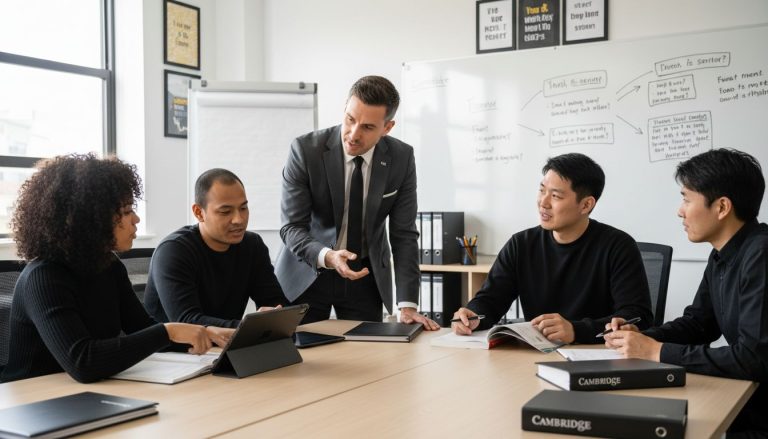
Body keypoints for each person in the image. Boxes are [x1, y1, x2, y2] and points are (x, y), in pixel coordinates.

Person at [1, 154, 222, 384]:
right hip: (33, 396)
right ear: (88, 219)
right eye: (126, 212)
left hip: (91, 390)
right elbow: (83, 361)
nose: (136, 219)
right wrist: (167, 332)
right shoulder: (43, 277)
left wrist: (205, 334)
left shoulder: (109, 265)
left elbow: (141, 329)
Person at [604, 148, 768, 436]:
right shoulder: (722, 254)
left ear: (722, 207)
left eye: (686, 199)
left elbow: (754, 359)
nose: (680, 211)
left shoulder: (761, 254)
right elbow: (699, 324)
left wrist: (656, 351)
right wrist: (642, 337)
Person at [275, 75, 438, 329]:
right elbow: (291, 227)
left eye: (368, 127)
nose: (353, 134)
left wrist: (407, 305)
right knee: (299, 350)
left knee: (367, 351)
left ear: (387, 127)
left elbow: (404, 234)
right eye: (350, 119)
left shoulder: (401, 158)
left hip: (364, 275)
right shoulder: (306, 150)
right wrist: (329, 256)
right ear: (345, 109)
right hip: (307, 270)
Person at [452, 153, 653, 344]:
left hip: (598, 354)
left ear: (585, 205)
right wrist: (473, 315)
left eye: (555, 196)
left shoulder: (618, 246)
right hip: (537, 353)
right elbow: (491, 300)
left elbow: (637, 316)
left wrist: (575, 330)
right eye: (542, 190)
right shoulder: (521, 244)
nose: (543, 202)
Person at [143, 168, 287, 332]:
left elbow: (275, 302)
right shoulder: (173, 251)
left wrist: (276, 316)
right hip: (173, 346)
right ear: (199, 213)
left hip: (227, 342)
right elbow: (187, 321)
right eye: (225, 212)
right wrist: (251, 326)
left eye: (243, 208)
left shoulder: (252, 245)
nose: (239, 219)